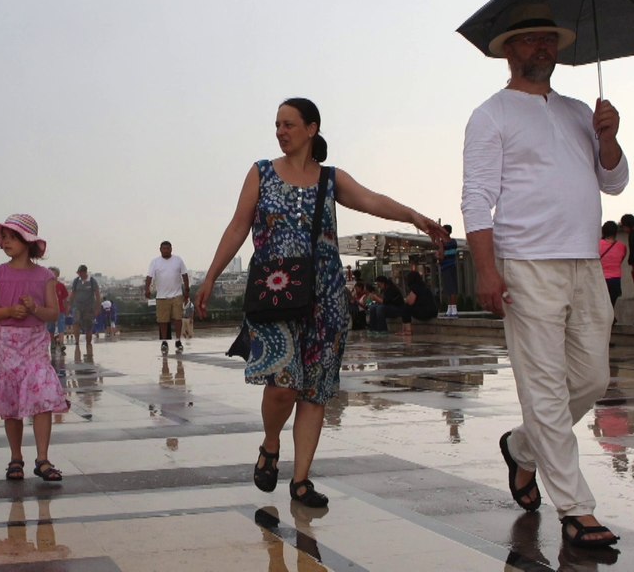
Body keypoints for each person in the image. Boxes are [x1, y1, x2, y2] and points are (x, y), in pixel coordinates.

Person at [197, 97, 447, 508]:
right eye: (277, 125)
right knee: (283, 386)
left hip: (326, 300)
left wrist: (414, 217)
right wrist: (211, 276)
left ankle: (301, 481)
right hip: (274, 294)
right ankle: (271, 443)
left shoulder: (330, 179)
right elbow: (239, 225)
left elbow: (372, 200)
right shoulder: (261, 172)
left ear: (311, 129)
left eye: (289, 124)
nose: (280, 132)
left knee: (314, 391)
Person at [462, 9, 627, 547]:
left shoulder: (580, 112)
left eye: (549, 40)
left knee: (593, 379)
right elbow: (476, 199)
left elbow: (614, 183)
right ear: (509, 50)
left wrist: (608, 139)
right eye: (531, 39)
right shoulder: (491, 114)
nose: (542, 48)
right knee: (545, 390)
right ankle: (576, 509)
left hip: (584, 262)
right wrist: (486, 270)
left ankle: (522, 448)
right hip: (526, 264)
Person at [0, 214, 69, 483]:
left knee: (43, 397)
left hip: (35, 343)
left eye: (12, 237)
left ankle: (43, 458)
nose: (6, 242)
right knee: (11, 401)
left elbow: (53, 313)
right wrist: (10, 311)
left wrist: (35, 308)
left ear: (27, 241)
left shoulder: (45, 276)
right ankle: (16, 457)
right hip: (7, 344)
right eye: (4, 237)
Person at [145, 241, 190, 354]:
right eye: (163, 248)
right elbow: (149, 277)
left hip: (177, 294)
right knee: (163, 320)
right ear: (160, 249)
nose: (165, 250)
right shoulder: (155, 262)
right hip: (161, 296)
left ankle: (178, 340)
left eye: (167, 248)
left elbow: (184, 275)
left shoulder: (178, 260)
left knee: (178, 319)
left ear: (171, 249)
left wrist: (187, 290)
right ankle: (164, 341)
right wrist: (147, 289)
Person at [68, 265, 100, 348]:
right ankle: (77, 341)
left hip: (89, 307)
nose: (79, 274)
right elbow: (73, 293)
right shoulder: (76, 281)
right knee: (76, 322)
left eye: (80, 273)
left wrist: (97, 308)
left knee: (88, 325)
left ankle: (88, 342)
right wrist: (69, 305)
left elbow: (97, 294)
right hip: (77, 306)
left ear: (85, 272)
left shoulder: (92, 281)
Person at [599, 221, 627, 314]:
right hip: (615, 280)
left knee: (601, 306)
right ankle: (611, 319)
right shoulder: (622, 246)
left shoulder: (598, 245)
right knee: (611, 305)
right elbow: (621, 260)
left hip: (601, 279)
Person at [438, 225, 460, 317]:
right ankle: (451, 309)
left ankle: (452, 309)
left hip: (446, 267)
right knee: (452, 287)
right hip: (452, 266)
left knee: (449, 288)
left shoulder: (442, 243)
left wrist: (438, 255)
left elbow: (441, 257)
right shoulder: (454, 242)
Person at [47, 267, 69, 356]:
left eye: (54, 273)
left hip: (60, 310)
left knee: (61, 327)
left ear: (57, 275)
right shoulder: (46, 286)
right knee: (50, 328)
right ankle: (52, 342)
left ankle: (61, 343)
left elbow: (65, 299)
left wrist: (66, 309)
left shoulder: (61, 286)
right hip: (50, 311)